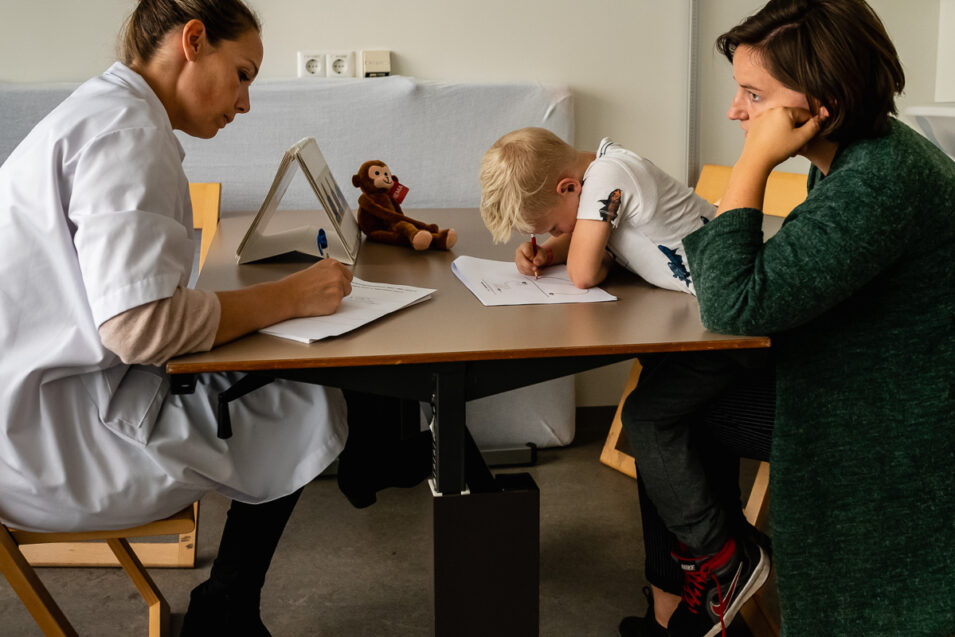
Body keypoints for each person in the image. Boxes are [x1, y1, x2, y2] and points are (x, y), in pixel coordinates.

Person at [0, 1, 429, 635]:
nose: (245, 102)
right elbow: (140, 329)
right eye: (244, 74)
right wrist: (289, 297)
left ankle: (247, 584)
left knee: (284, 371)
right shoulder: (126, 134)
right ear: (193, 40)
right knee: (299, 392)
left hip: (42, 404)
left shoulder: (108, 111)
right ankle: (233, 602)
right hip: (52, 439)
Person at [624, 0, 954, 635]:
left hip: (889, 417)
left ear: (819, 106)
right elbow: (772, 285)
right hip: (866, 382)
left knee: (666, 412)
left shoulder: (876, 182)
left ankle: (717, 573)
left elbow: (734, 304)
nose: (735, 110)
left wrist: (749, 166)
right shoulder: (860, 160)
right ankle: (700, 587)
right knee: (664, 398)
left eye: (753, 94)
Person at [480, 128, 775, 637]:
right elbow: (610, 247)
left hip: (741, 330)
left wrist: (566, 254)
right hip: (714, 323)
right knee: (656, 399)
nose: (551, 234)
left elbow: (583, 274)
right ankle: (681, 597)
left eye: (550, 224)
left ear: (571, 187)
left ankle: (726, 556)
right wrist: (551, 248)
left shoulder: (610, 175)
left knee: (647, 417)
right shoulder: (604, 171)